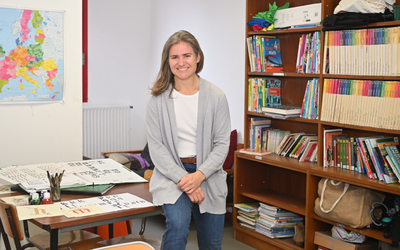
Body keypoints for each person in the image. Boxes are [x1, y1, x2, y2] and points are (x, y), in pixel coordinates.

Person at [145, 30, 231, 250]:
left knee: (211, 243)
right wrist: (188, 181)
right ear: (167, 61)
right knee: (177, 226)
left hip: (208, 173)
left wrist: (199, 176)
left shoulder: (216, 96)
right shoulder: (157, 100)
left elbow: (222, 144)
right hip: (171, 173)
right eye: (174, 57)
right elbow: (156, 149)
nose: (181, 62)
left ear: (198, 57)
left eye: (187, 56)